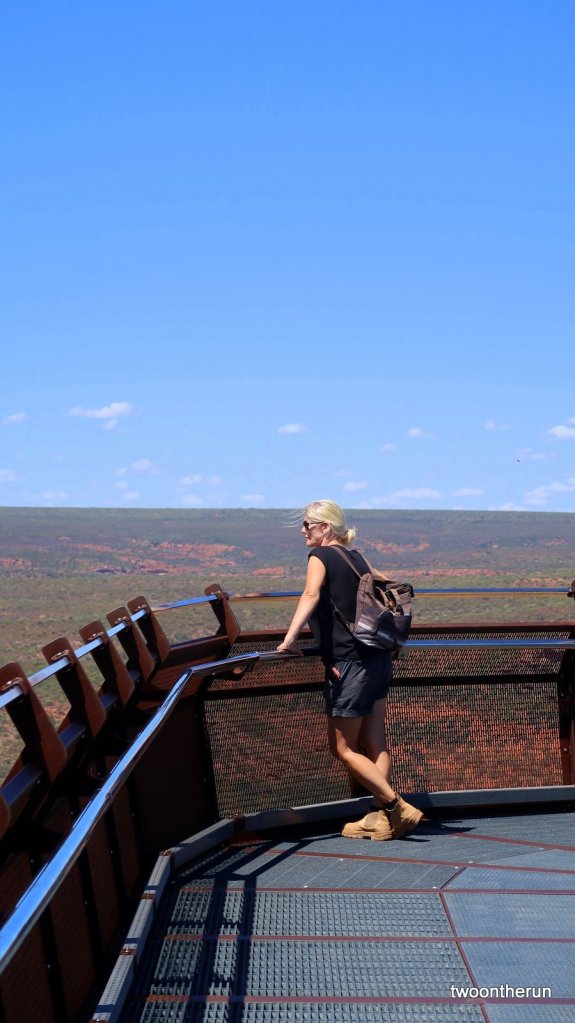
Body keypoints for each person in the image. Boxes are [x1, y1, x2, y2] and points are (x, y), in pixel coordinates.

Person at [277, 499, 422, 841]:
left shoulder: (320, 556)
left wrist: (289, 639)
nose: (303, 530)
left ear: (325, 527)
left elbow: (311, 594)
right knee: (375, 741)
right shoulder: (358, 557)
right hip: (378, 658)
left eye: (307, 524)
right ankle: (379, 818)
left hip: (348, 662)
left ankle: (397, 807)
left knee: (342, 748)